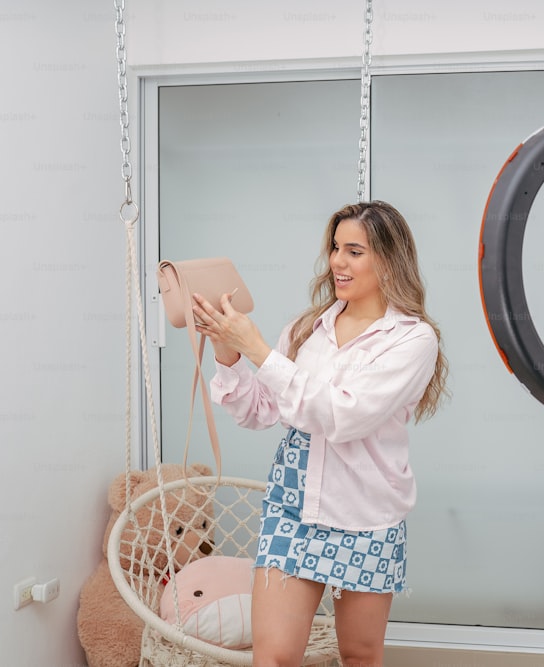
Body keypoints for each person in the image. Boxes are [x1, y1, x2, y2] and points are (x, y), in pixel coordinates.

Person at [191, 200, 448, 667]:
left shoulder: (412, 339)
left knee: (359, 654)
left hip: (367, 515)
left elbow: (343, 416)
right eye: (335, 248)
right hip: (293, 506)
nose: (337, 262)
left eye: (354, 251)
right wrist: (229, 352)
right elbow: (260, 411)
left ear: (389, 259)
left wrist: (257, 348)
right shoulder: (308, 328)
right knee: (273, 657)